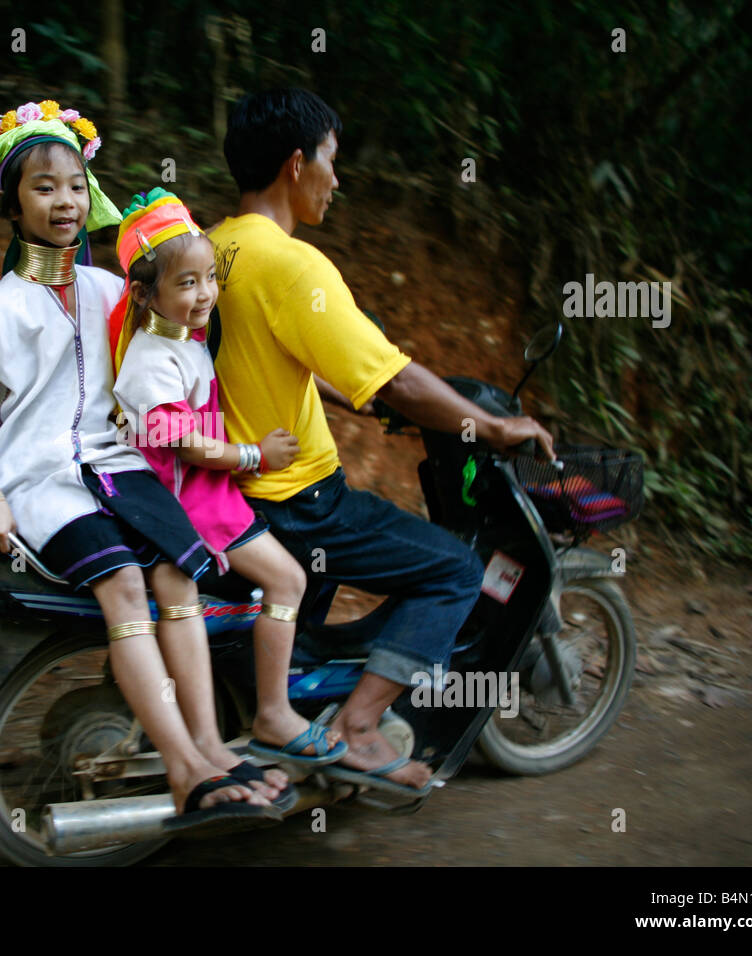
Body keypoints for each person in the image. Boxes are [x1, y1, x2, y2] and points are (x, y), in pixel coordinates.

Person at [0, 99, 280, 834]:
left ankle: (214, 749)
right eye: (42, 187)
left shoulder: (115, 291)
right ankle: (185, 772)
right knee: (125, 584)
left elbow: (182, 333)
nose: (63, 202)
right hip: (37, 481)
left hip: (119, 468)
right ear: (10, 203)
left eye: (71, 186)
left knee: (180, 573)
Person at [209, 88, 555, 797]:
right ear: (297, 164)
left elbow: (275, 358)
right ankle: (359, 731)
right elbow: (394, 377)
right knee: (454, 571)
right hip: (296, 504)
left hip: (228, 498)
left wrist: (363, 403)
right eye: (332, 162)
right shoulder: (293, 266)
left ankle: (288, 718)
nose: (337, 180)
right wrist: (493, 426)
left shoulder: (213, 247)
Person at [107, 189, 349, 805]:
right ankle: (274, 714)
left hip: (208, 493)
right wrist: (254, 457)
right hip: (195, 503)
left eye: (211, 277)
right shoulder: (151, 360)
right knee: (289, 582)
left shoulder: (184, 340)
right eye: (187, 283)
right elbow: (184, 445)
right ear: (145, 294)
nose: (206, 294)